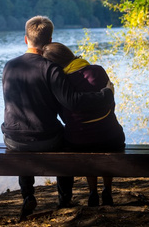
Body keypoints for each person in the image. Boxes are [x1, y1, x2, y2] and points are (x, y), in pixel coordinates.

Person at [1, 16, 115, 220]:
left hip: (12, 139)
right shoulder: (51, 68)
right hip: (45, 139)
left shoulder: (9, 66)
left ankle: (28, 195)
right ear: (50, 39)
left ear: (25, 39)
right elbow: (73, 102)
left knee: (21, 138)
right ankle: (64, 199)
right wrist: (106, 94)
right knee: (67, 140)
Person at [42, 42, 126, 207]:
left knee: (85, 139)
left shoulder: (61, 82)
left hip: (79, 140)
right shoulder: (97, 70)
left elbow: (63, 115)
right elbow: (111, 104)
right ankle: (107, 190)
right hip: (111, 137)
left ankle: (93, 191)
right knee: (105, 133)